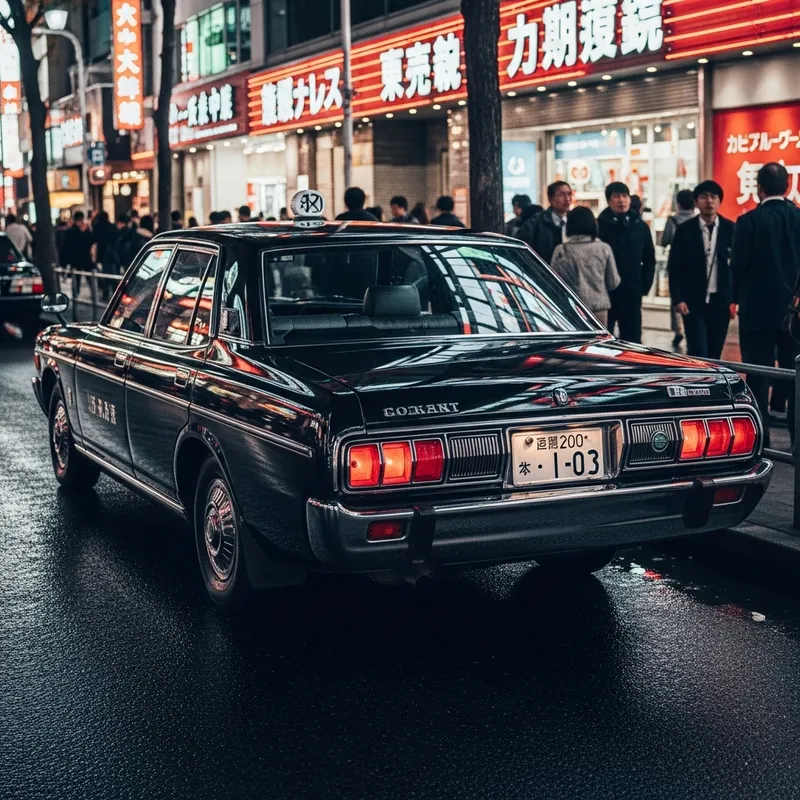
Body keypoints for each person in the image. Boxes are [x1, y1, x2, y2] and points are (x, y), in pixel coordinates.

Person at [731, 162, 800, 444]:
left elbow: (738, 266)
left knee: (757, 375)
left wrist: (734, 300)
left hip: (756, 311)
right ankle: (796, 439)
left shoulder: (748, 221)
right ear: (787, 187)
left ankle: (762, 439)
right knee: (794, 375)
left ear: (758, 189)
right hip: (794, 313)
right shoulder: (798, 218)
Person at [667, 180, 735, 360]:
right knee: (699, 353)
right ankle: (700, 387)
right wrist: (678, 298)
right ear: (696, 202)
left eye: (713, 197)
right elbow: (674, 266)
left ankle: (713, 387)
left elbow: (737, 267)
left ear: (719, 201)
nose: (709, 201)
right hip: (692, 302)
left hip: (721, 302)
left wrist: (734, 299)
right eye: (704, 197)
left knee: (715, 353)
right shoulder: (685, 230)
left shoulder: (731, 229)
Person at [597, 181, 656, 343]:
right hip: (606, 293)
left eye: (625, 196)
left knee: (633, 339)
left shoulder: (640, 226)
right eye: (616, 196)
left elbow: (649, 259)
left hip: (632, 291)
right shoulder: (599, 225)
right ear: (609, 201)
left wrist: (644, 286)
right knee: (604, 340)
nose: (621, 200)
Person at [550, 206, 620, 327]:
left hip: (570, 309)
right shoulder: (604, 248)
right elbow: (613, 282)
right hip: (599, 308)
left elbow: (553, 282)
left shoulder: (561, 250)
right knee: (598, 344)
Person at [661, 189, 696, 348]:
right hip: (693, 265)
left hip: (676, 265)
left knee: (676, 297)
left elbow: (664, 240)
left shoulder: (672, 221)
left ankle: (678, 330)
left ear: (679, 203)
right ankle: (692, 329)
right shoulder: (698, 221)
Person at [517, 181, 572, 263]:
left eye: (569, 194)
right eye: (561, 194)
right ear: (551, 199)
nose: (567, 198)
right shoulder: (536, 222)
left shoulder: (575, 221)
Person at [62, 211, 93, 293]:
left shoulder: (70, 231)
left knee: (78, 279)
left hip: (77, 259)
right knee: (83, 278)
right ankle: (78, 296)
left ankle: (77, 295)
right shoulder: (76, 231)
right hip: (81, 258)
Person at [91, 211, 120, 300]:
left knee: (105, 272)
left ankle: (106, 291)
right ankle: (114, 290)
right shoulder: (112, 226)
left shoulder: (97, 227)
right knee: (112, 272)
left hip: (102, 253)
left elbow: (93, 240)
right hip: (112, 253)